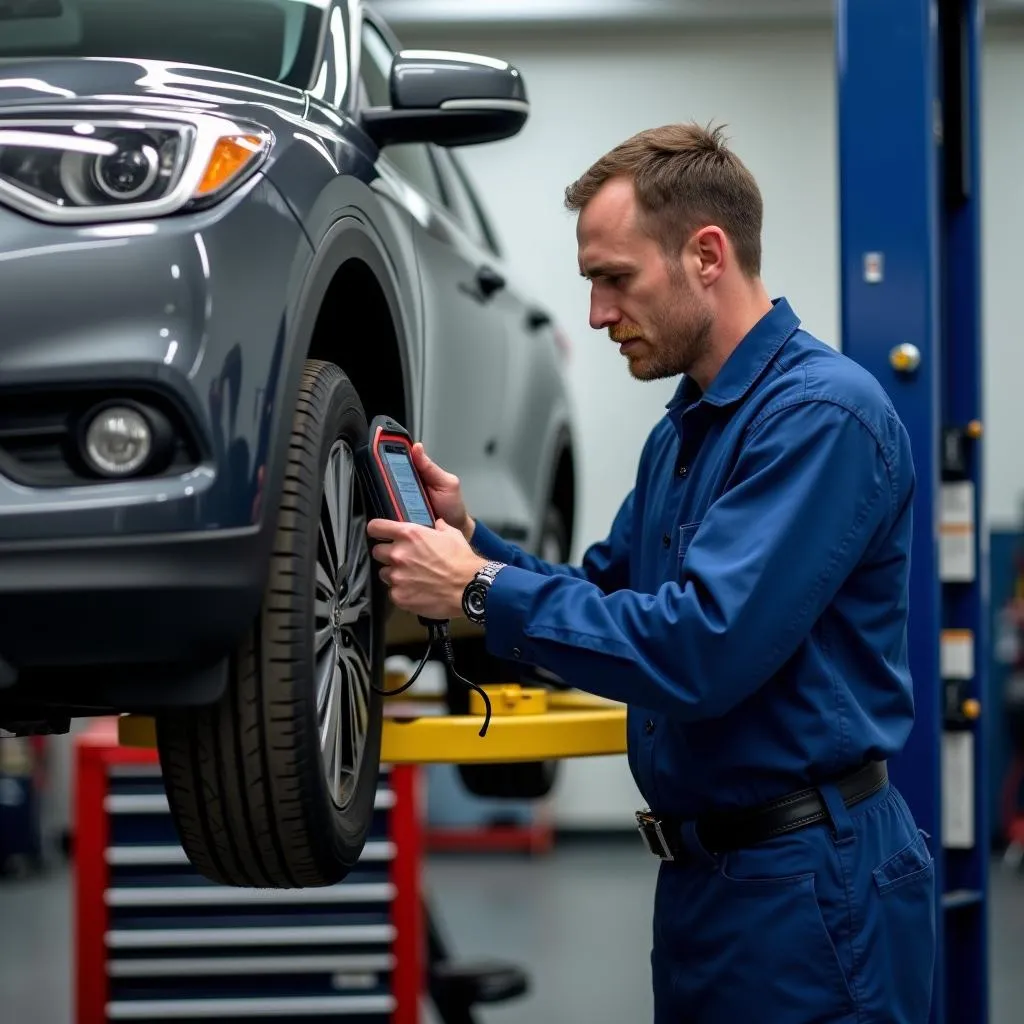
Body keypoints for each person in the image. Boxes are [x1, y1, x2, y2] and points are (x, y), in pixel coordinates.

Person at [366, 121, 936, 1023]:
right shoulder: (681, 434)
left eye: (614, 278)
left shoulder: (823, 418)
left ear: (707, 254)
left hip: (812, 889)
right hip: (708, 887)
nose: (595, 314)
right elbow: (605, 601)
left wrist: (475, 588)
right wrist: (474, 544)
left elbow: (698, 649)